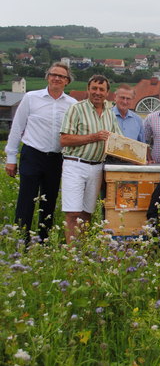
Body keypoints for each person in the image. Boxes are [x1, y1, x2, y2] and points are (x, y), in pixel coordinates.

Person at [5, 62, 77, 243]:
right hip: (32, 154)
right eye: (54, 74)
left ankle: (44, 241)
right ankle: (21, 242)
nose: (57, 78)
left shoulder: (72, 104)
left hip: (56, 159)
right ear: (48, 76)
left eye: (61, 76)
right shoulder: (31, 98)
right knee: (26, 200)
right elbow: (17, 127)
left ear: (67, 81)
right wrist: (11, 158)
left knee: (49, 201)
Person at [60, 75, 122, 243]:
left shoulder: (110, 113)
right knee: (73, 212)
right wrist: (93, 137)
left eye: (101, 89)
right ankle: (72, 254)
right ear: (88, 89)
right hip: (75, 164)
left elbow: (118, 141)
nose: (97, 92)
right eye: (94, 88)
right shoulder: (76, 109)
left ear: (107, 93)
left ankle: (82, 250)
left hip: (97, 167)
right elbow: (64, 139)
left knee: (87, 212)